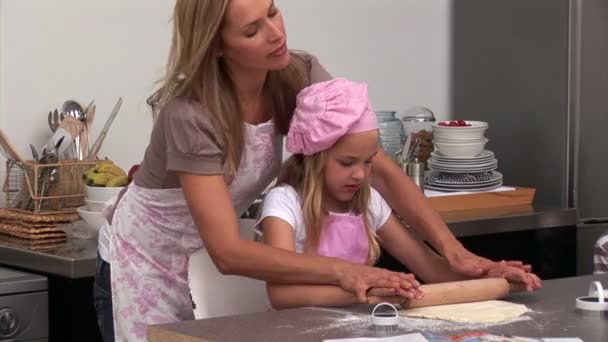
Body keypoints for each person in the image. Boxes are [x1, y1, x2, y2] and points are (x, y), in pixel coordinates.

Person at [93, 0, 530, 341]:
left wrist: (458, 256)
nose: (275, 33)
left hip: (204, 252)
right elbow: (228, 252)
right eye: (252, 29)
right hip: (145, 259)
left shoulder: (294, 74)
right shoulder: (192, 115)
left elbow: (379, 167)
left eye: (273, 12)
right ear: (216, 46)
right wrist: (345, 271)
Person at [256, 78, 542, 309]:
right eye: (347, 163)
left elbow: (433, 271)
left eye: (368, 162)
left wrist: (491, 274)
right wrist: (366, 292)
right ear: (313, 157)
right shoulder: (284, 203)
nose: (360, 174)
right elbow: (281, 295)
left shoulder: (368, 202)